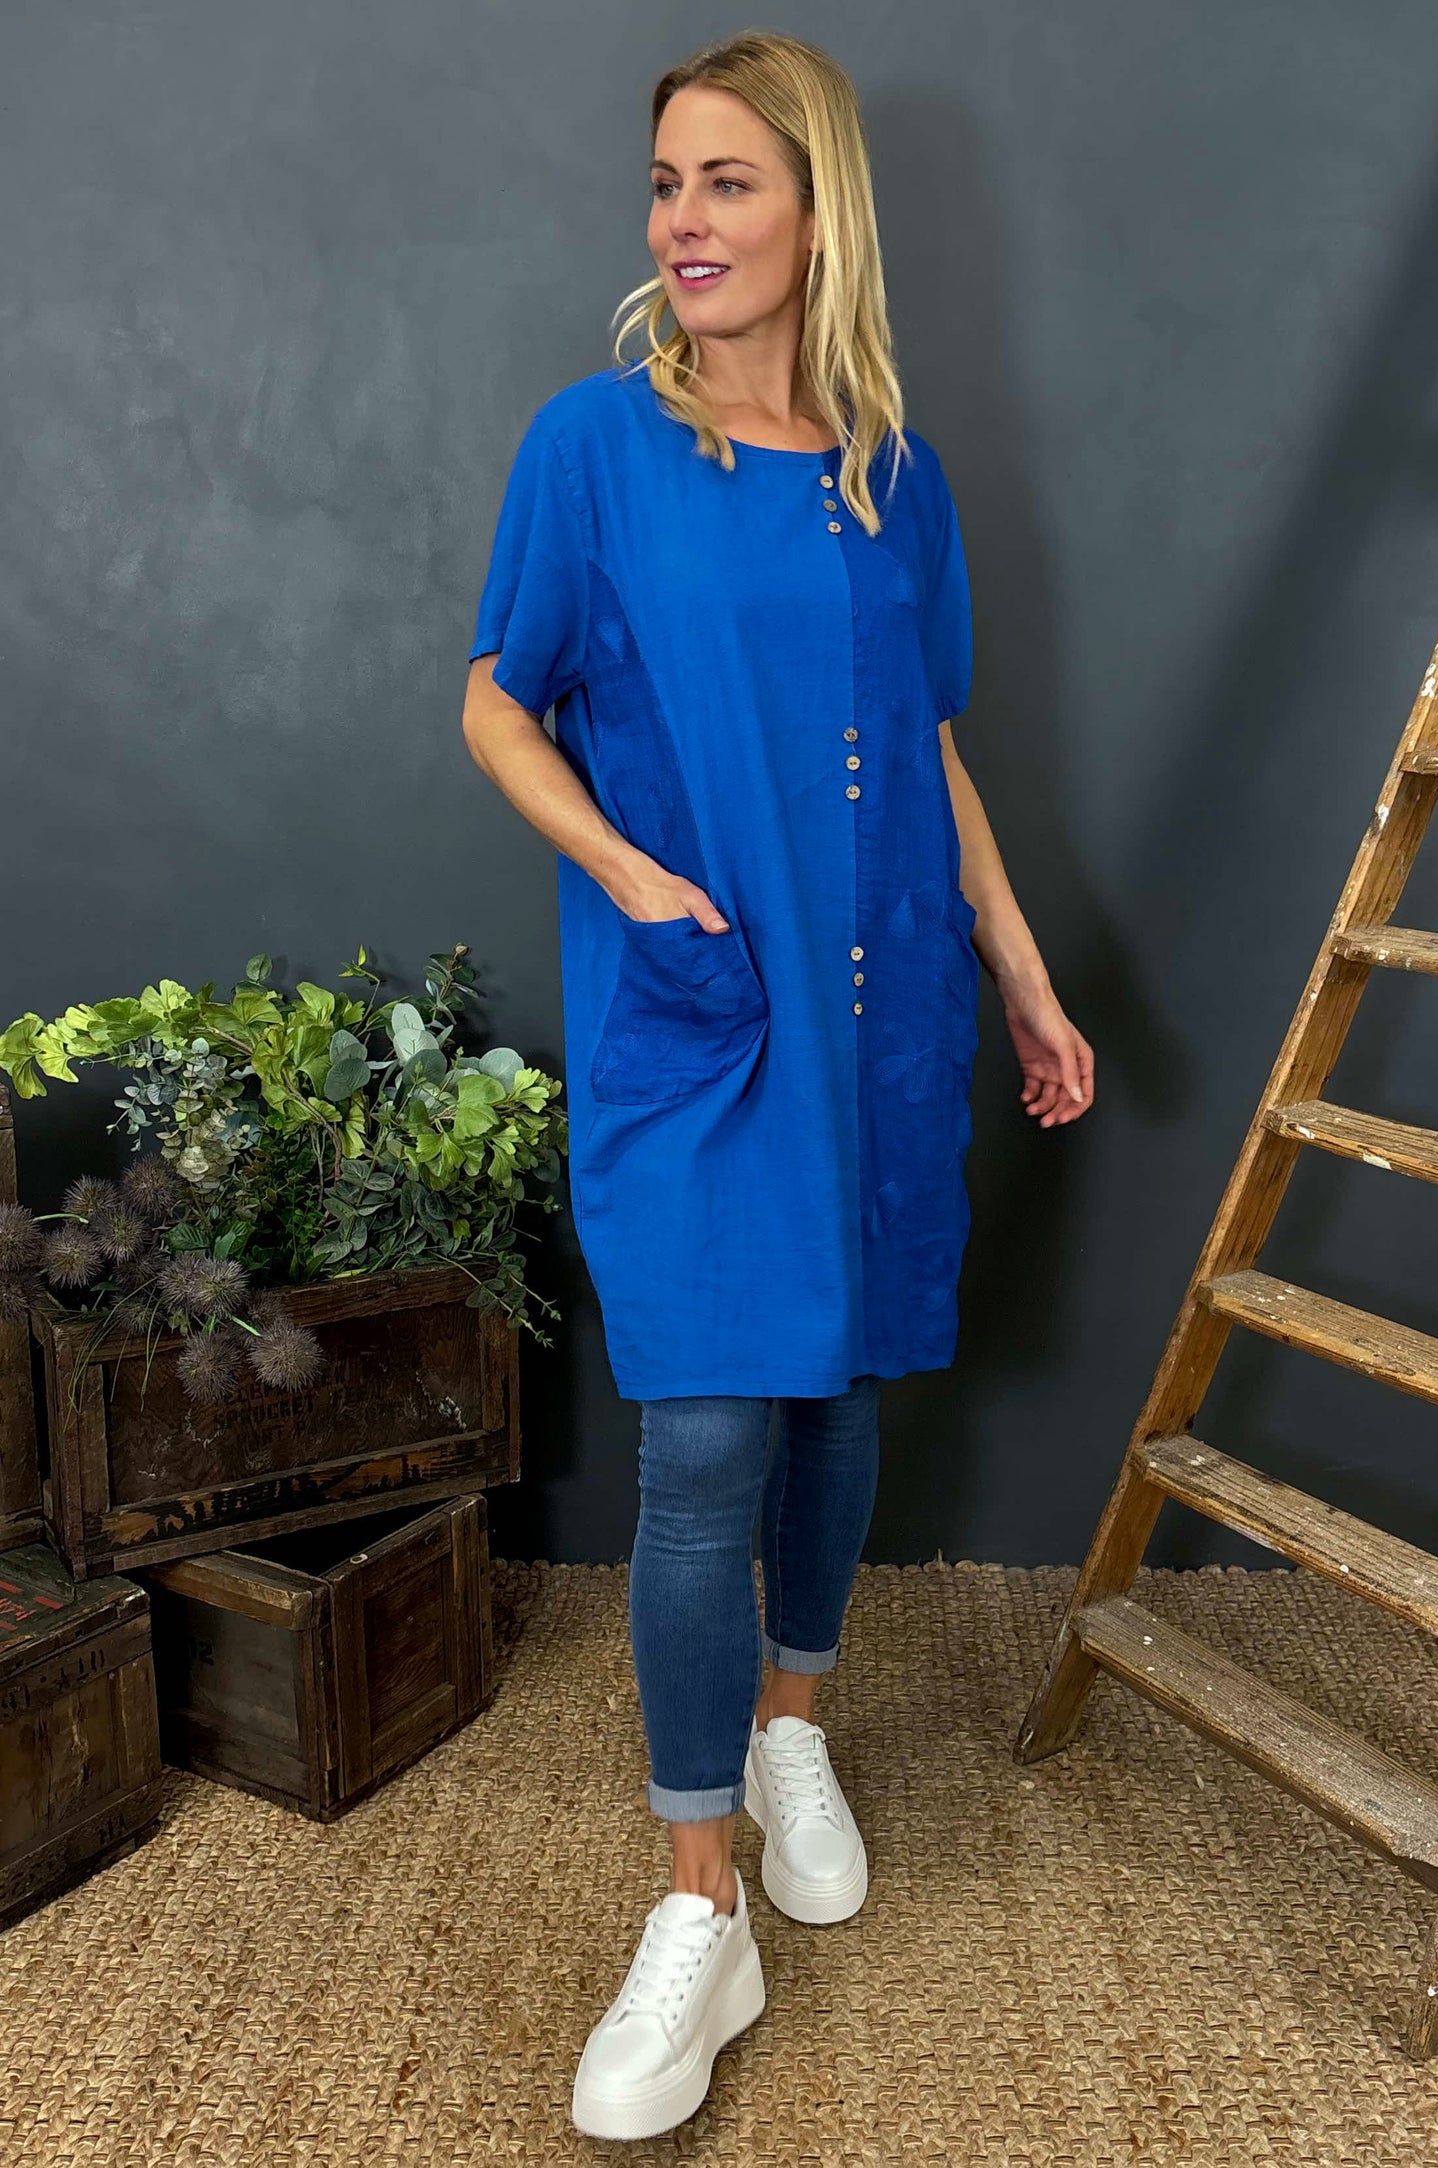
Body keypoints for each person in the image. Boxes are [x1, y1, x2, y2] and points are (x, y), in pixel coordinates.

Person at [460, 30, 1094, 2143]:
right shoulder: (595, 447)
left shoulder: (895, 476)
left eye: (727, 181)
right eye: (666, 181)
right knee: (708, 1431)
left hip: (875, 1001)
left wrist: (1020, 973)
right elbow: (495, 697)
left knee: (832, 1396)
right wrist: (632, 875)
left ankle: (794, 1722)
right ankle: (696, 1900)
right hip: (699, 1012)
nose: (683, 220)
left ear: (819, 213)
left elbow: (926, 746)